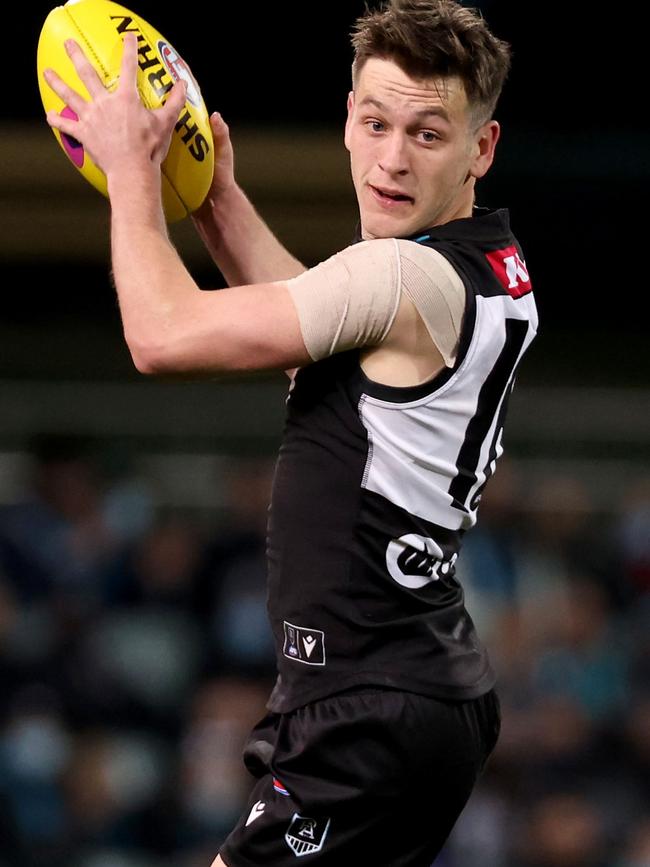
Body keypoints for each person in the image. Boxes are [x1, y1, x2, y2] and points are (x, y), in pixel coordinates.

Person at [43, 0, 538, 863]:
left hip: (366, 705)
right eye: (376, 121)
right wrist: (217, 200)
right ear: (347, 119)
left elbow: (160, 337)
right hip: (419, 689)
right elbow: (324, 346)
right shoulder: (486, 266)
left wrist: (131, 171)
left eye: (427, 134)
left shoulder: (398, 276)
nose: (390, 158)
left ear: (481, 149)